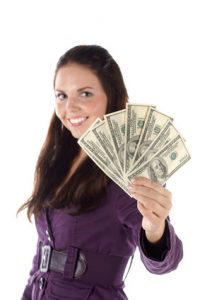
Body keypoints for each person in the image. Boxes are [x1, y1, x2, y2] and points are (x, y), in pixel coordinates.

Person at [18, 45, 183, 300]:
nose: (69, 107)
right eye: (61, 95)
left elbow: (164, 263)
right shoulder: (56, 161)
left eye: (84, 94)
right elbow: (42, 259)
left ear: (111, 96)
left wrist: (155, 227)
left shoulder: (124, 173)